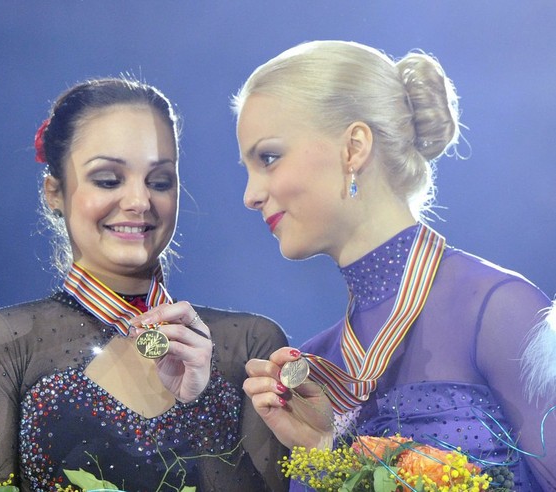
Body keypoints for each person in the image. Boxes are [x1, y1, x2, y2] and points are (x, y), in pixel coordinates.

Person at [235, 40, 555, 490]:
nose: (250, 194)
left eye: (268, 158)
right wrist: (323, 455)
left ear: (354, 147)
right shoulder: (313, 367)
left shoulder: (497, 309)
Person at [0, 78, 289, 491]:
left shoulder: (250, 344)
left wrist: (202, 402)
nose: (139, 201)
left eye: (159, 182)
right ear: (55, 191)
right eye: (108, 180)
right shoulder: (0, 342)